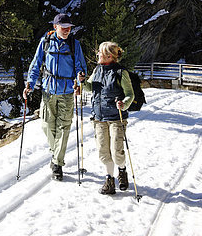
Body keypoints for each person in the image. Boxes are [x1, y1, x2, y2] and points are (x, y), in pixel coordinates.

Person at [23, 13, 87, 181]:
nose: (66, 30)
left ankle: (57, 164)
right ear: (55, 27)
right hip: (48, 91)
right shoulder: (45, 43)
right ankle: (55, 153)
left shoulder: (75, 45)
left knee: (63, 128)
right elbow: (36, 64)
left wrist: (79, 81)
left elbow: (81, 67)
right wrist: (29, 83)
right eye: (63, 27)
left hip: (66, 92)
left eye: (69, 27)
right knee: (46, 125)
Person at [78, 41, 134, 195]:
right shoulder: (97, 70)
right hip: (99, 118)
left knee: (117, 152)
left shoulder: (121, 73)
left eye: (100, 53)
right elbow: (90, 88)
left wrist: (124, 104)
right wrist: (82, 82)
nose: (98, 55)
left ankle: (122, 171)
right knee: (104, 153)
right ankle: (109, 180)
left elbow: (130, 94)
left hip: (117, 117)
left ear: (109, 56)